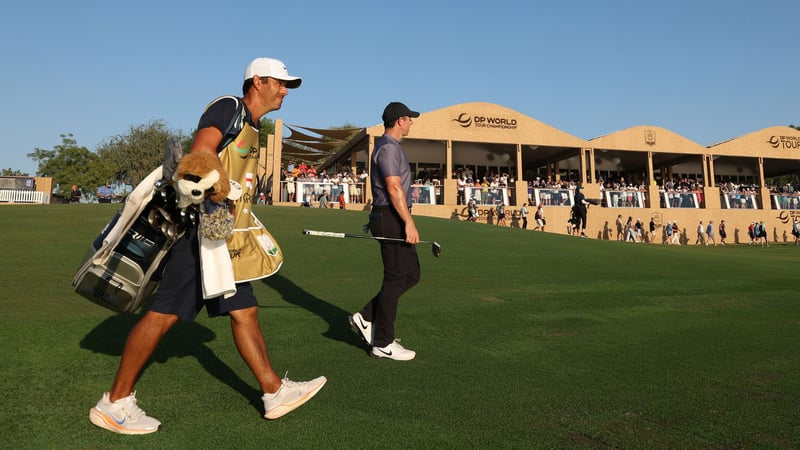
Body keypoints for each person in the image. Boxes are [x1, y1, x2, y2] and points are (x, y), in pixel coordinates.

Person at [89, 57, 326, 435]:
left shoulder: (253, 124)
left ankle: (273, 391)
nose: (285, 91)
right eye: (281, 83)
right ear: (258, 81)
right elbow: (201, 152)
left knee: (243, 309)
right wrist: (222, 189)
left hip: (219, 236)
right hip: (200, 234)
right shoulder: (230, 107)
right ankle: (114, 402)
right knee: (163, 314)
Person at [349, 102, 422, 361]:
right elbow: (393, 188)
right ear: (400, 120)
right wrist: (408, 222)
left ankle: (367, 316)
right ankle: (382, 342)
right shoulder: (389, 148)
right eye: (409, 119)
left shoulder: (390, 147)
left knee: (411, 274)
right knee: (395, 276)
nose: (412, 122)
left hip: (392, 215)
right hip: (391, 216)